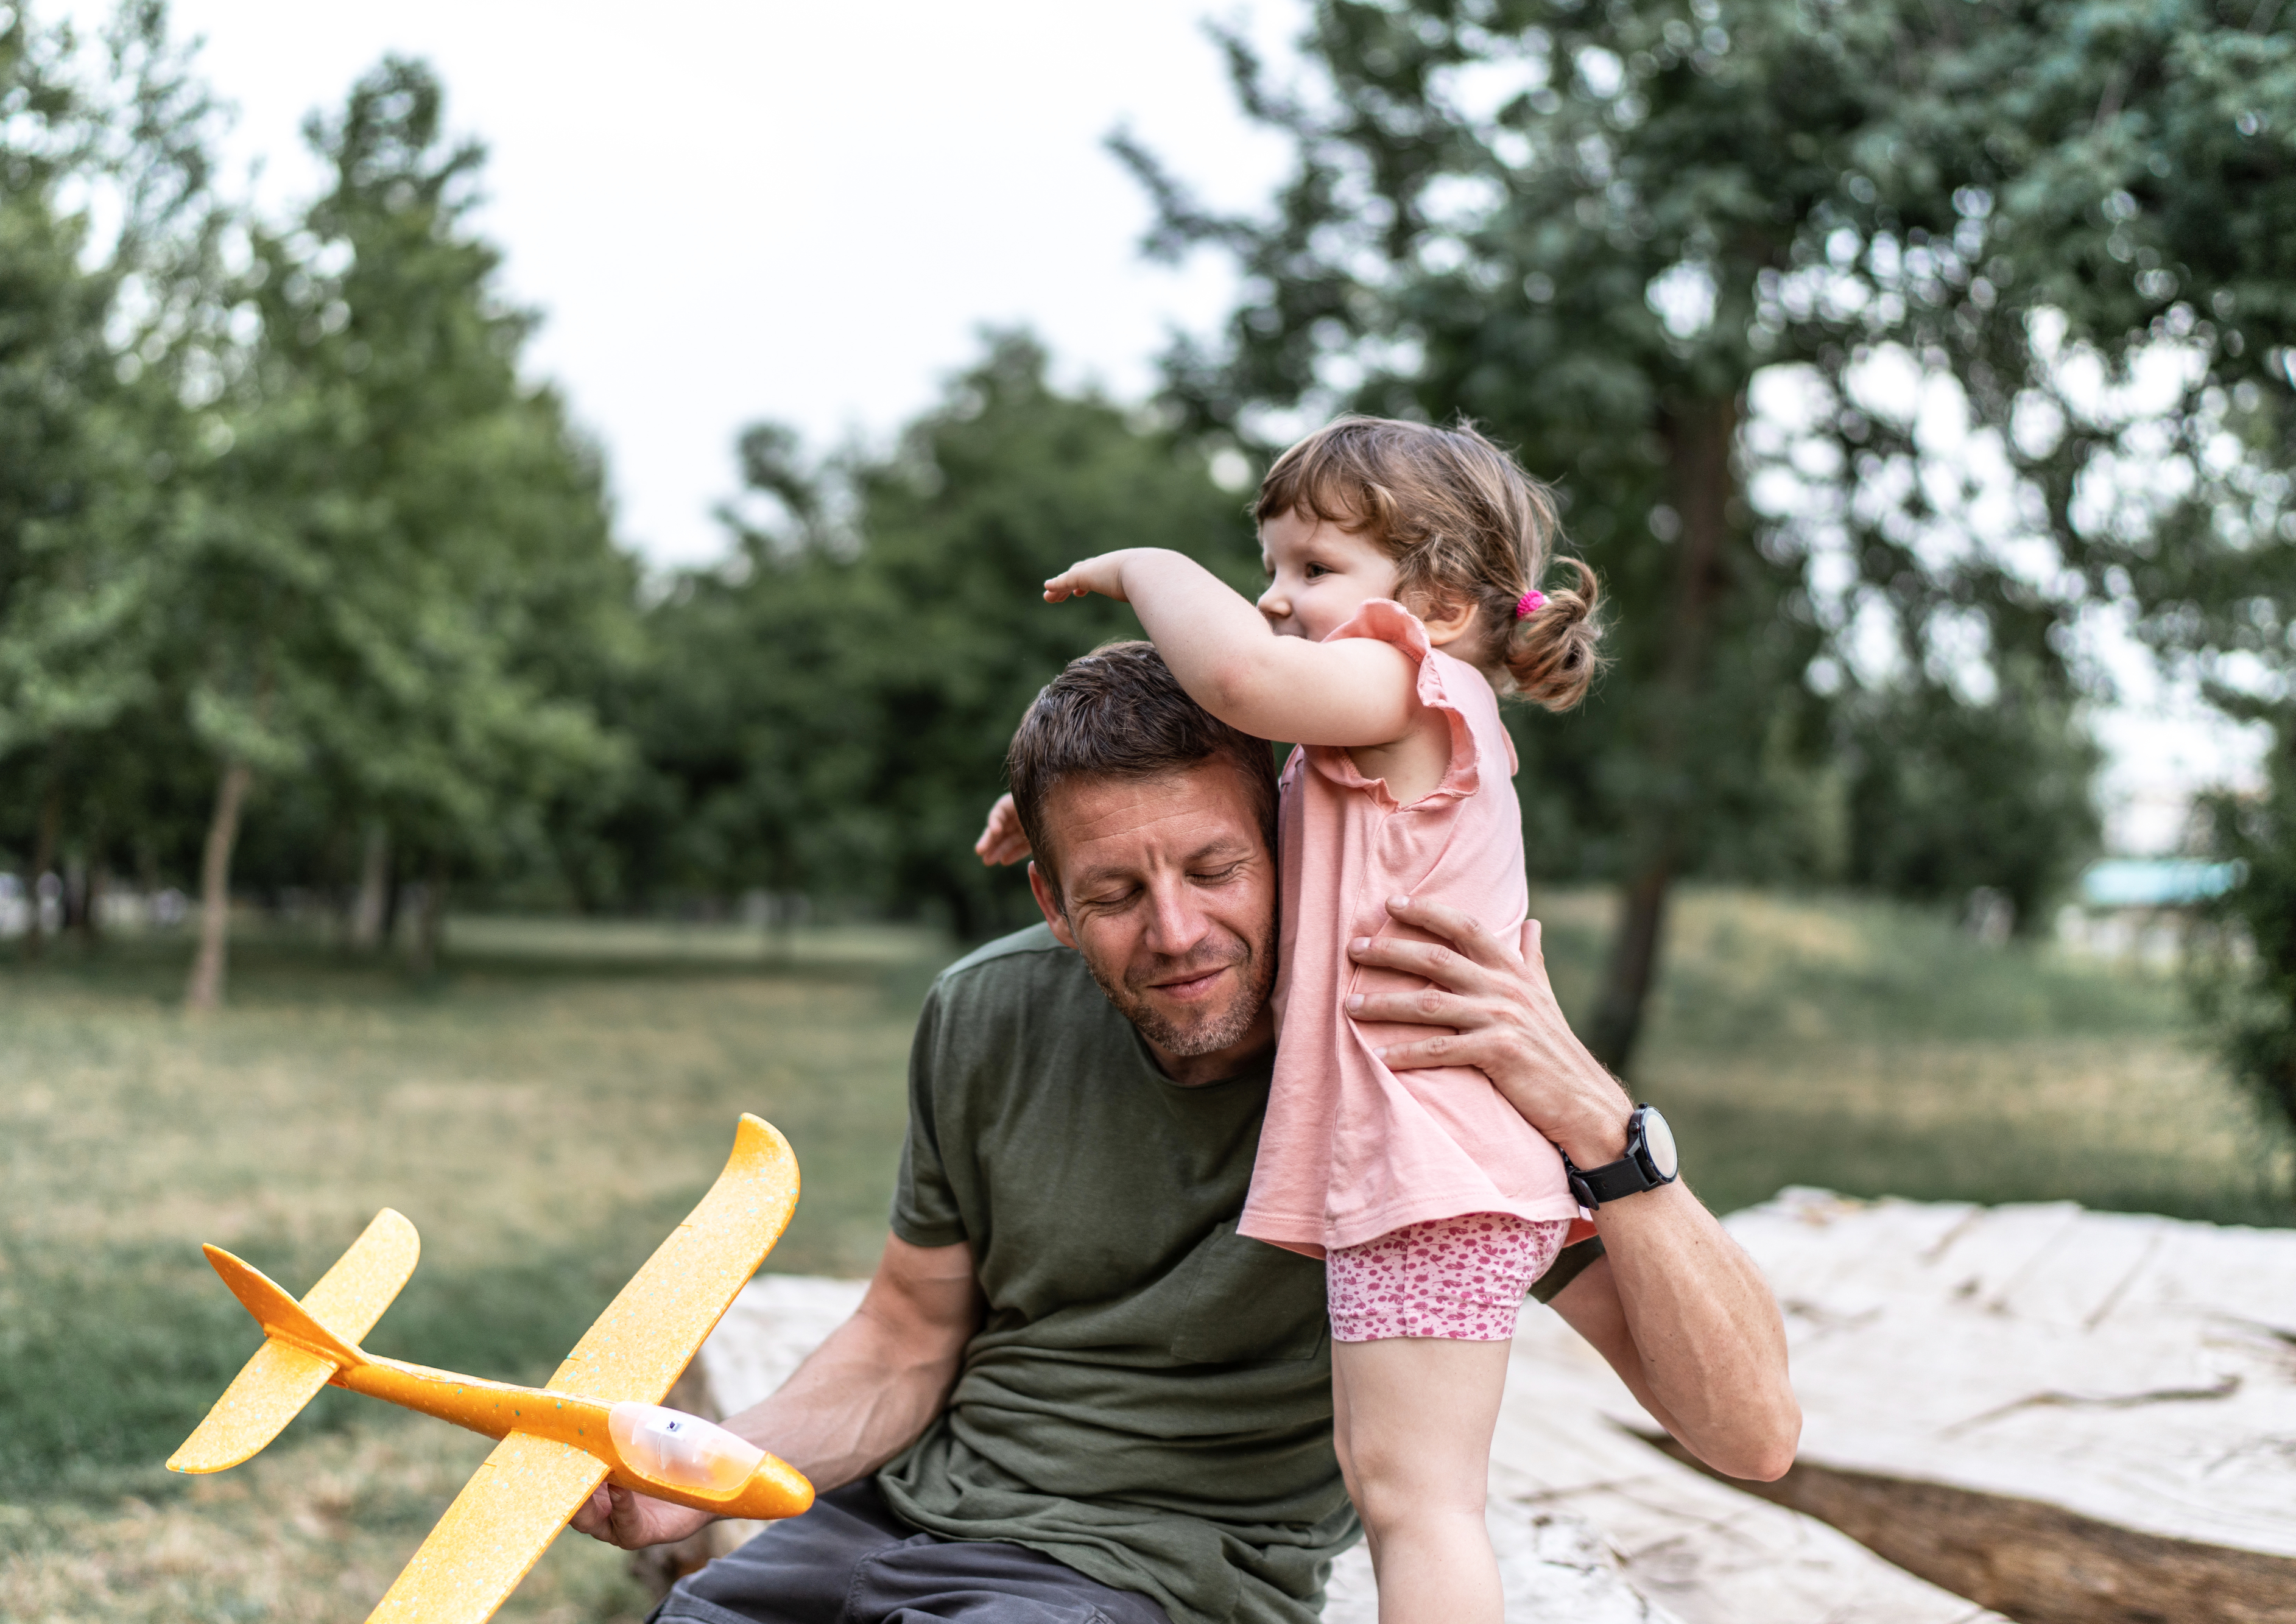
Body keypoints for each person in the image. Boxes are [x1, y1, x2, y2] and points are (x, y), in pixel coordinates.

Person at [572, 642, 1798, 1624]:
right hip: (870, 1529)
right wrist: (708, 1471)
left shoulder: (1419, 1064)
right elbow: (903, 1335)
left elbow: (1748, 1429)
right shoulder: (983, 1012)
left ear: (1288, 839)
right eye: (1113, 891)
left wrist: (1590, 1112)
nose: (1175, 931)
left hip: (1140, 1583)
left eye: (1215, 866)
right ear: (1050, 896)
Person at [1030, 417, 1600, 1621]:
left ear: (1439, 601)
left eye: (1312, 568)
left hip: (1431, 1161)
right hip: (1410, 1161)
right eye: (1267, 565)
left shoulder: (1406, 684)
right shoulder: (1366, 736)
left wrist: (1145, 569)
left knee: (1417, 1500)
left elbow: (1238, 679)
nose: (1273, 600)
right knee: (1393, 1482)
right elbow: (1240, 788)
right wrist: (1030, 811)